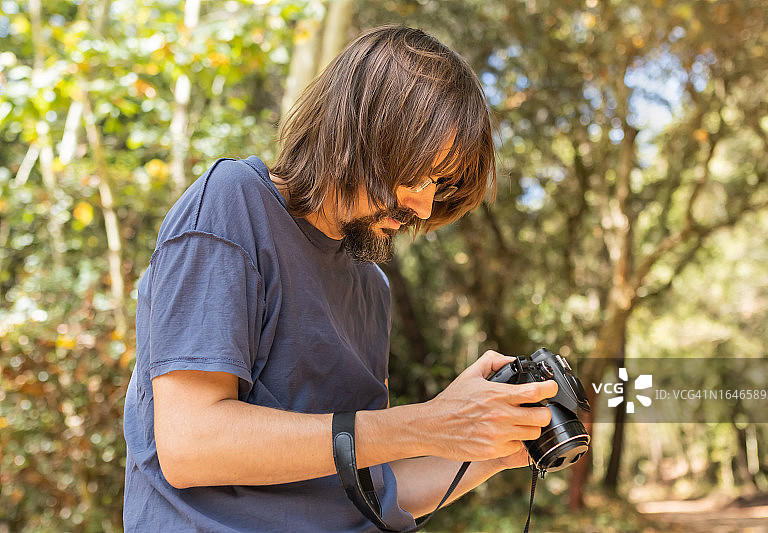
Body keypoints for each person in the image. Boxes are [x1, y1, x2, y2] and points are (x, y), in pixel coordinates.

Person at [122, 25, 557, 532]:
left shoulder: (372, 287)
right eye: (416, 174)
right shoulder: (232, 204)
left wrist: (494, 449)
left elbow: (371, 491)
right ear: (360, 133)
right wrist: (428, 422)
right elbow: (192, 444)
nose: (424, 203)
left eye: (440, 184)